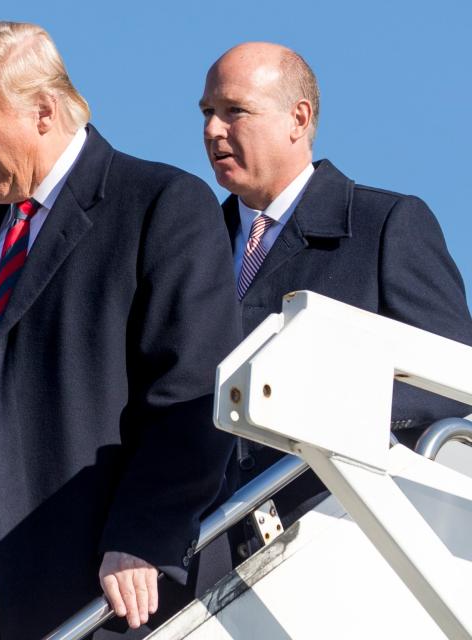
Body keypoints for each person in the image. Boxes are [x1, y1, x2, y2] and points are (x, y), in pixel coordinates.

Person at [0, 21, 240, 639]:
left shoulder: (160, 205)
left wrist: (144, 533)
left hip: (86, 568)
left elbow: (194, 392)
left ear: (43, 110)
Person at [199, 41, 472, 541]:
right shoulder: (189, 249)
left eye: (234, 111)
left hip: (341, 534)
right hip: (211, 544)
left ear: (297, 119)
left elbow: (450, 381)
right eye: (207, 113)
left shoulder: (385, 225)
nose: (213, 130)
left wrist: (323, 406)